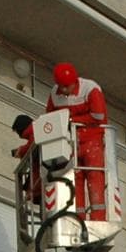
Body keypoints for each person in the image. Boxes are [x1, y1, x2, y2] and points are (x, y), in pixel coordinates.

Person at [45, 62, 109, 219]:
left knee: (94, 177)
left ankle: (98, 218)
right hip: (71, 142)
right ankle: (77, 219)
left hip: (92, 140)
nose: (65, 91)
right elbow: (50, 117)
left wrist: (70, 119)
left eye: (68, 86)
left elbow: (98, 116)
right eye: (62, 87)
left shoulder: (90, 88)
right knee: (75, 179)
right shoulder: (55, 93)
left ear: (75, 82)